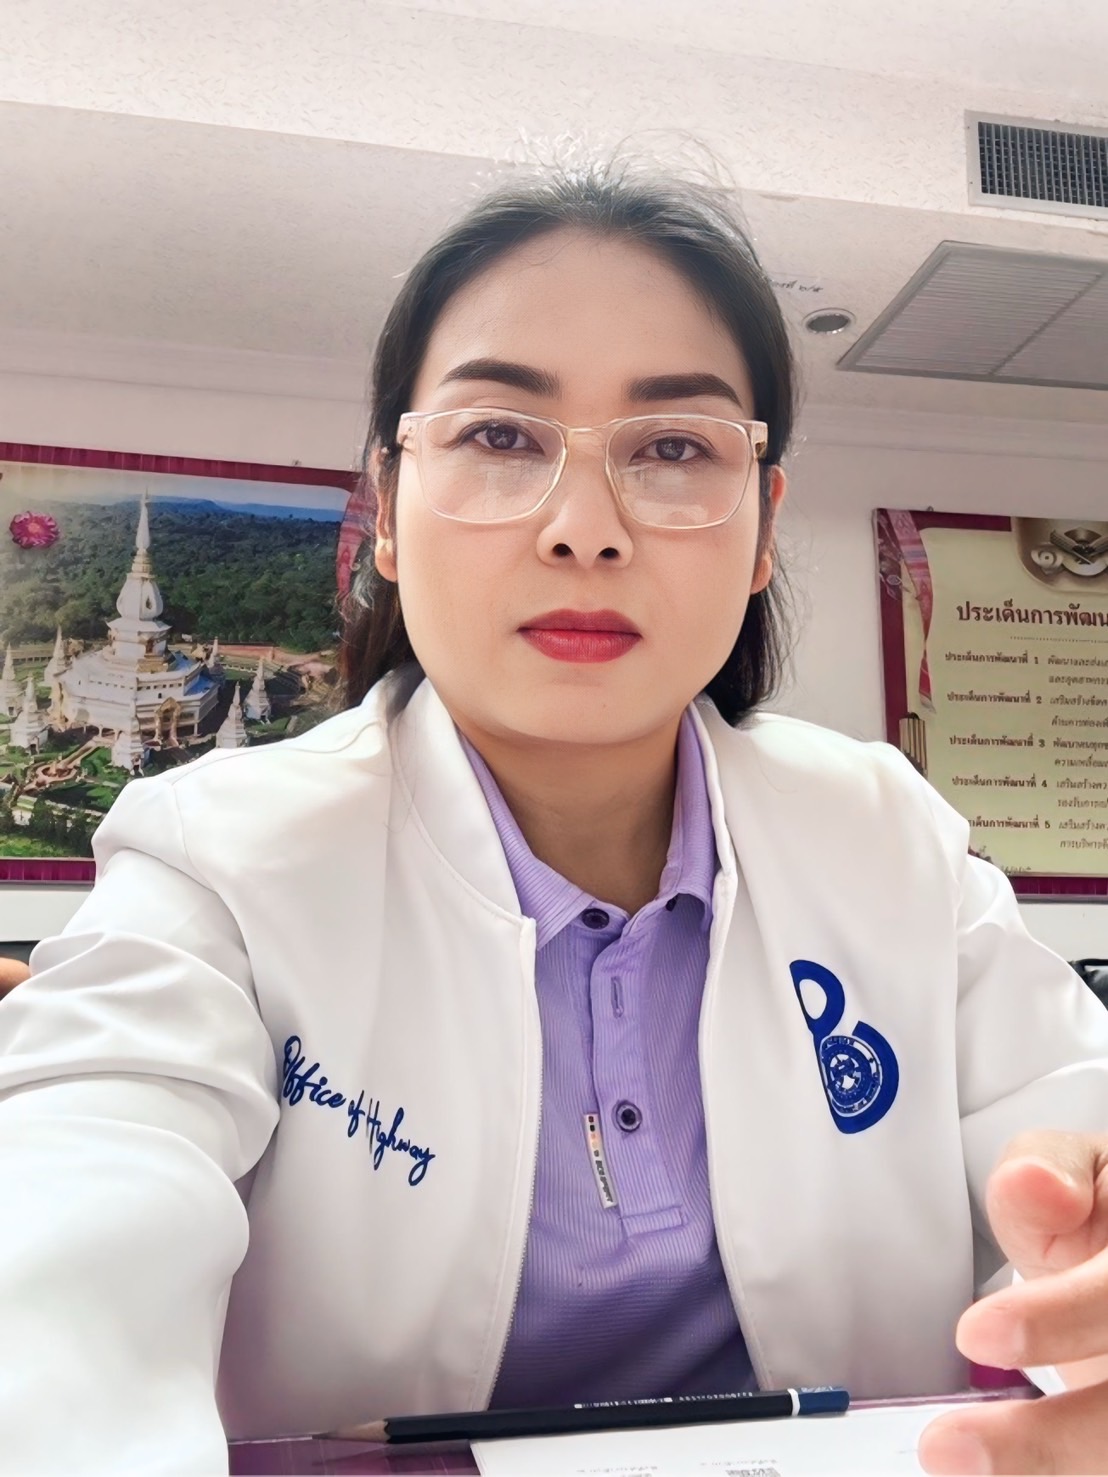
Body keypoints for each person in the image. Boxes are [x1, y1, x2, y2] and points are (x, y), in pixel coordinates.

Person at [1, 162, 1106, 1477]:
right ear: (388, 512)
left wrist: (1076, 1249)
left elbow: (1065, 1116)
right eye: (500, 438)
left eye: (676, 448)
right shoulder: (218, 863)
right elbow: (73, 1212)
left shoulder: (889, 839)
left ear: (762, 532)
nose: (586, 530)